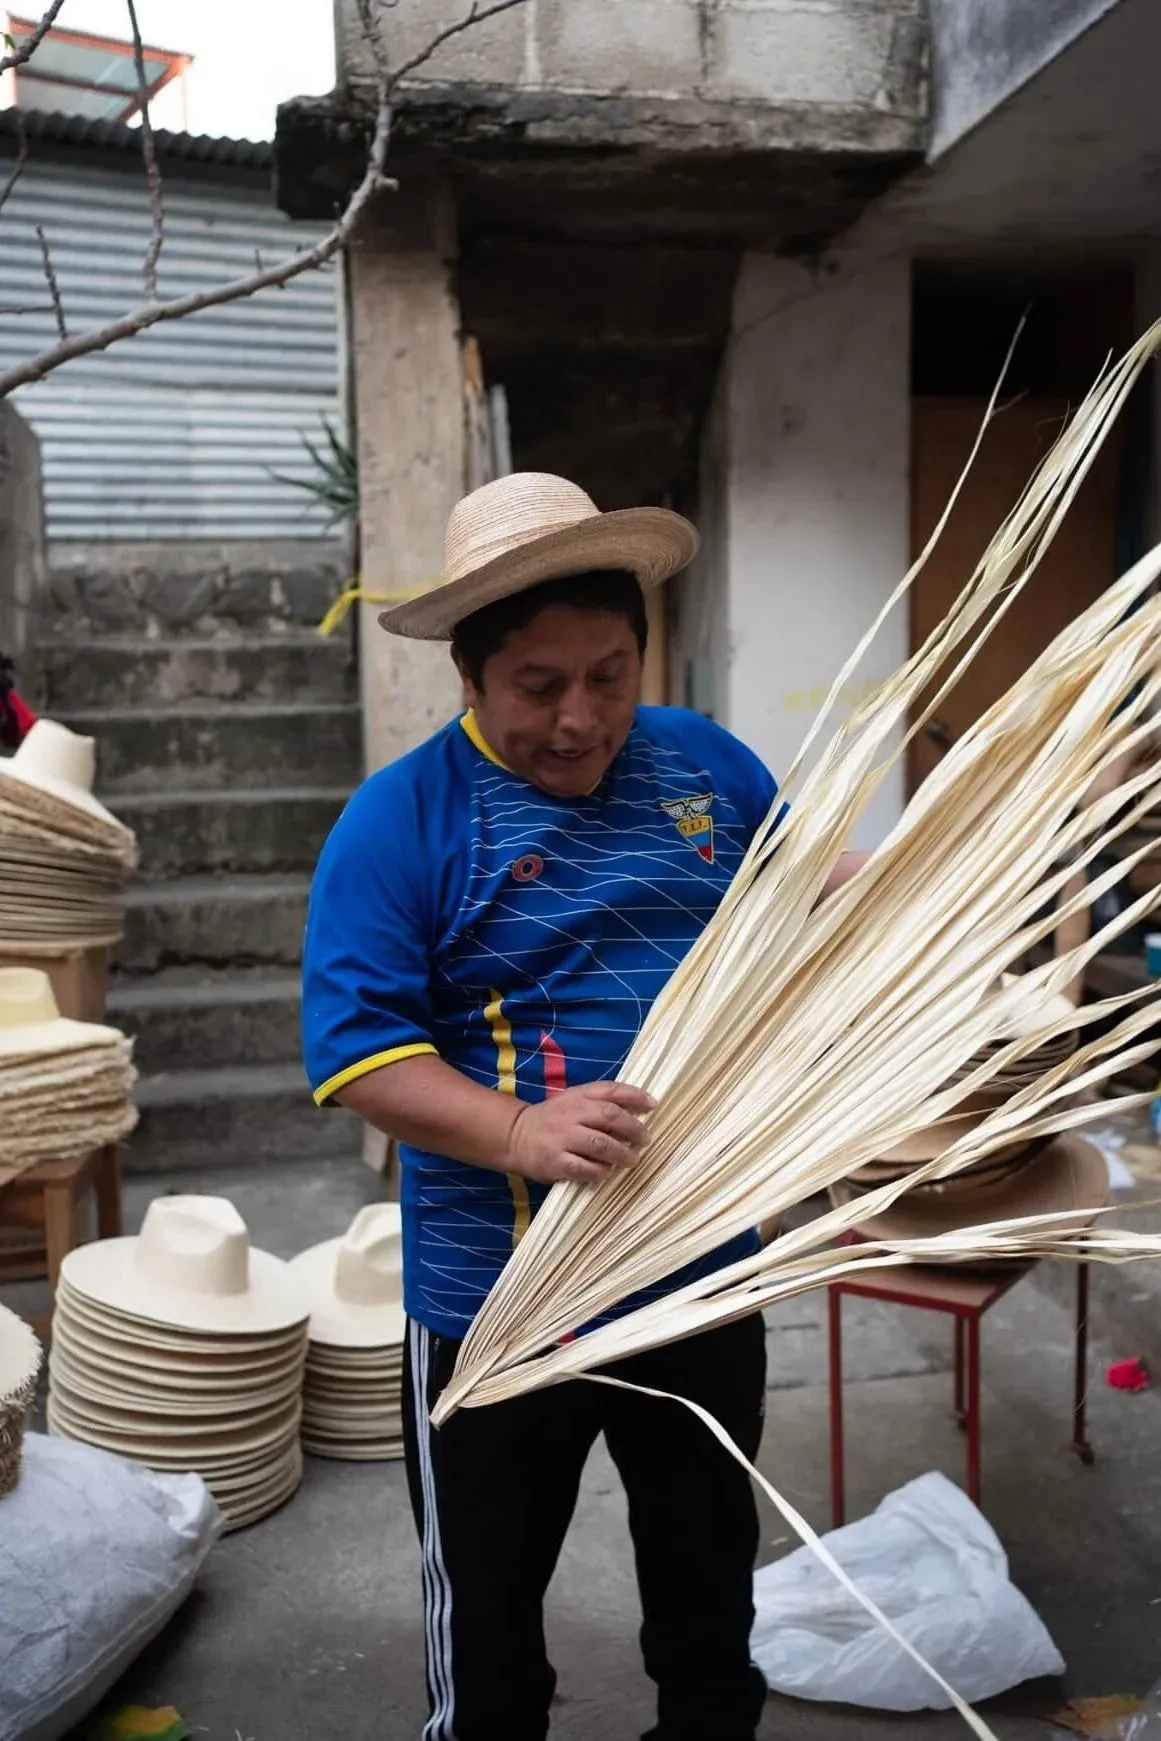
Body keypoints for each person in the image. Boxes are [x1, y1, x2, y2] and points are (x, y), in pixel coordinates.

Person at [302, 472, 862, 1741]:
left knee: (708, 1599)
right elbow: (356, 1053)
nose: (579, 718)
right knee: (491, 1625)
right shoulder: (401, 823)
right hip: (499, 1305)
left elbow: (804, 886)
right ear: (470, 674)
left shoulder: (708, 766)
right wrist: (515, 1132)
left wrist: (905, 904)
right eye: (539, 685)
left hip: (696, 1270)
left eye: (609, 674)